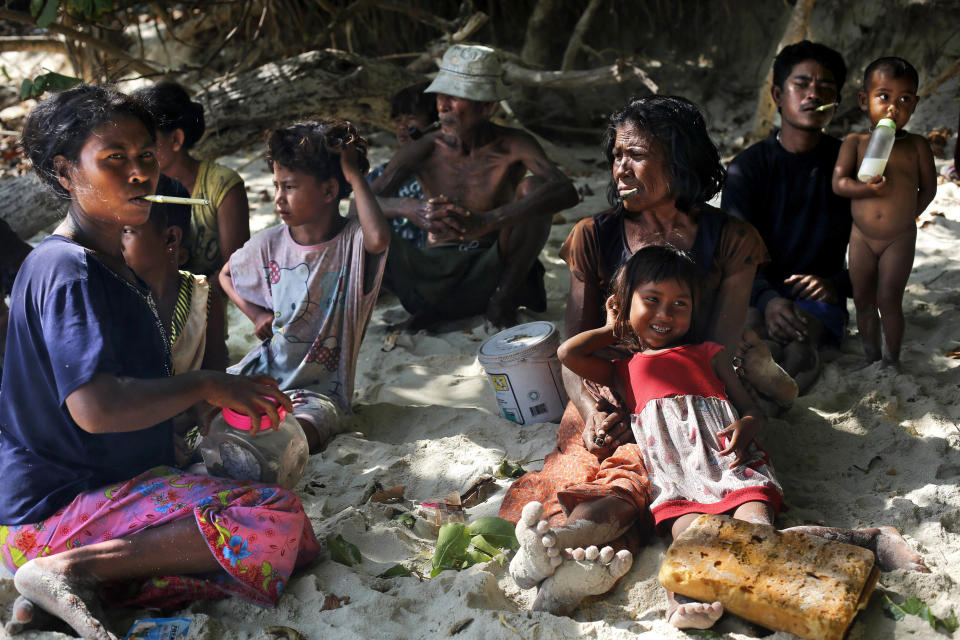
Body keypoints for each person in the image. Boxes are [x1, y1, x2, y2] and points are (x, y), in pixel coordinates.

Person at [500, 95, 927, 618]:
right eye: (615, 155)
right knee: (618, 488)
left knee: (703, 506)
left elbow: (719, 355)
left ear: (677, 160)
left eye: (635, 154)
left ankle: (593, 568)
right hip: (610, 391)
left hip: (697, 404)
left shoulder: (730, 239)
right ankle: (574, 563)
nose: (619, 167)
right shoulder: (594, 236)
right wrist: (594, 412)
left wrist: (713, 419)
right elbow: (574, 350)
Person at [0, 85, 319, 640]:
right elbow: (96, 409)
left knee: (266, 527)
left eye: (146, 156)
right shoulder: (67, 271)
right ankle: (67, 570)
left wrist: (201, 412)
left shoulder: (106, 266)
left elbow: (128, 391)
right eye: (114, 159)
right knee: (273, 519)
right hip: (54, 514)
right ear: (65, 172)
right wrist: (207, 384)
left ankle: (80, 584)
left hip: (89, 497)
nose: (139, 174)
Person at [558, 245, 783, 629]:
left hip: (728, 461)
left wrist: (746, 426)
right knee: (687, 537)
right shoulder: (621, 368)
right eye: (651, 300)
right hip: (676, 475)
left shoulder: (709, 353)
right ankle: (681, 603)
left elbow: (751, 410)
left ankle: (753, 592)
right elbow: (567, 352)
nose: (665, 314)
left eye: (681, 304)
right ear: (624, 303)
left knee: (757, 523)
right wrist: (617, 327)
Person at [368, 44, 578, 327]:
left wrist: (489, 221)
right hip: (431, 277)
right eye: (441, 95)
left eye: (456, 97)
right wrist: (409, 208)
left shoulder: (512, 143)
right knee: (361, 227)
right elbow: (362, 204)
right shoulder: (425, 148)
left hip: (496, 274)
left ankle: (501, 303)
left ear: (486, 106)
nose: (443, 106)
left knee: (536, 189)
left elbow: (565, 190)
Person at [220, 120, 390, 454]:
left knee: (299, 436)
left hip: (321, 394)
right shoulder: (268, 243)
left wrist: (354, 176)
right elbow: (226, 274)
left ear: (328, 192)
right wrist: (255, 315)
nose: (278, 199)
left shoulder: (352, 243)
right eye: (277, 186)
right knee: (211, 409)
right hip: (261, 375)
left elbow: (379, 237)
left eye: (290, 187)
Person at [722, 41, 851, 392]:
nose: (813, 94)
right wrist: (768, 299)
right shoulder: (747, 168)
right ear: (778, 94)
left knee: (798, 344)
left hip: (818, 299)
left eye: (825, 88)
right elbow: (732, 256)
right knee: (748, 337)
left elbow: (883, 248)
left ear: (836, 101)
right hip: (757, 292)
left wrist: (836, 284)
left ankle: (773, 412)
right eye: (802, 84)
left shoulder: (848, 166)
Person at [832, 57, 936, 372]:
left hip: (899, 238)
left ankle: (891, 360)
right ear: (864, 100)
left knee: (889, 299)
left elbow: (928, 189)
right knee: (863, 299)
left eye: (904, 99)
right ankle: (870, 356)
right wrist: (867, 191)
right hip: (861, 237)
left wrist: (907, 217)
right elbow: (840, 183)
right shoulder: (856, 142)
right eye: (884, 96)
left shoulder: (917, 145)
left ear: (915, 105)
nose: (893, 107)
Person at [132, 82, 250, 277]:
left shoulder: (221, 186)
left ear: (176, 139)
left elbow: (236, 272)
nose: (136, 150)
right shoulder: (132, 185)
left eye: (147, 142)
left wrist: (192, 303)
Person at [121, 174, 228, 373]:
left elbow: (217, 379)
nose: (114, 241)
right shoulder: (109, 298)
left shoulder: (204, 298)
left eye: (126, 231)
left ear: (170, 238)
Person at [366, 81, 438, 249]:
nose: (403, 127)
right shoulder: (384, 171)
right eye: (398, 120)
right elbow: (356, 209)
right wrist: (404, 207)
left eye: (411, 118)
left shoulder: (448, 167)